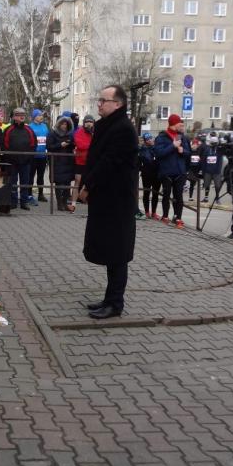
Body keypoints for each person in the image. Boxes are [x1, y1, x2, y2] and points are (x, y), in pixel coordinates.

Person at [79, 85, 138, 319]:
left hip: (118, 202)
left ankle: (115, 303)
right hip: (106, 199)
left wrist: (87, 185)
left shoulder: (123, 128)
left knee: (117, 253)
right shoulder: (109, 125)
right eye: (99, 99)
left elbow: (109, 162)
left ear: (118, 104)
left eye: (104, 100)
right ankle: (109, 298)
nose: (99, 104)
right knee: (110, 251)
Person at [154, 114, 191, 228]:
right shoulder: (161, 137)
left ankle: (177, 217)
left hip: (180, 172)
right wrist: (172, 146)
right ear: (174, 124)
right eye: (180, 124)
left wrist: (182, 150)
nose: (181, 126)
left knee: (178, 196)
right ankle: (165, 216)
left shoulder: (181, 137)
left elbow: (188, 153)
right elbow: (159, 153)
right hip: (167, 172)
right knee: (166, 195)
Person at [1, 107, 36, 210]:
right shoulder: (8, 129)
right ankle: (13, 201)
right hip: (12, 162)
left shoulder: (29, 130)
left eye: (23, 115)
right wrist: (9, 157)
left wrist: (29, 157)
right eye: (19, 115)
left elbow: (33, 144)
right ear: (14, 117)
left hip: (25, 162)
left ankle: (24, 202)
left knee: (25, 182)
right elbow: (4, 145)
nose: (22, 117)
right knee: (12, 182)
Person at [46, 115, 75, 211]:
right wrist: (60, 145)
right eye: (62, 123)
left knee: (67, 183)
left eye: (66, 124)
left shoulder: (70, 134)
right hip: (57, 161)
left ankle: (64, 202)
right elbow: (49, 146)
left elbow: (73, 145)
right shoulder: (52, 134)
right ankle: (59, 203)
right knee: (58, 183)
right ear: (59, 124)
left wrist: (71, 144)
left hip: (68, 161)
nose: (64, 126)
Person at [72, 115, 94, 209]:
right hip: (80, 162)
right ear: (84, 122)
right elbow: (80, 145)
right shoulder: (79, 131)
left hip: (92, 162)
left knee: (92, 183)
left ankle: (90, 203)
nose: (89, 124)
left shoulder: (95, 132)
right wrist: (92, 145)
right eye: (87, 122)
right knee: (77, 182)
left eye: (91, 122)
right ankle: (73, 204)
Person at [29, 109, 50, 204]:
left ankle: (41, 194)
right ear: (34, 117)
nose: (41, 117)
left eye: (42, 115)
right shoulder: (30, 127)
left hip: (43, 156)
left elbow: (48, 139)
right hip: (33, 156)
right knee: (31, 176)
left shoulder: (45, 126)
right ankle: (29, 194)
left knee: (41, 176)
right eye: (39, 115)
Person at [138, 132, 160, 219]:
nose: (150, 140)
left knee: (156, 193)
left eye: (150, 138)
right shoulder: (143, 149)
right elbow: (144, 161)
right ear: (145, 140)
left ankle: (154, 212)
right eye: (147, 139)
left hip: (156, 174)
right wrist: (142, 169)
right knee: (146, 193)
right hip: (146, 174)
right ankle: (147, 211)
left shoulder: (156, 148)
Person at [201, 133, 224, 204]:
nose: (213, 145)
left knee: (217, 185)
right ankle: (206, 198)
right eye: (212, 143)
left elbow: (222, 149)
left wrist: (219, 141)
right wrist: (203, 171)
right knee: (206, 184)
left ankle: (217, 198)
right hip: (208, 171)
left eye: (215, 143)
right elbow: (204, 160)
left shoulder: (219, 150)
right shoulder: (207, 150)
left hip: (216, 171)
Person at [187, 136, 204, 201]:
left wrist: (200, 169)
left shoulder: (199, 152)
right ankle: (190, 196)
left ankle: (191, 197)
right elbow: (187, 161)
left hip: (196, 170)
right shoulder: (189, 152)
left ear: (197, 145)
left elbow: (201, 161)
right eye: (193, 144)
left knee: (193, 184)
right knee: (191, 182)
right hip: (190, 169)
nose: (194, 146)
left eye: (195, 145)